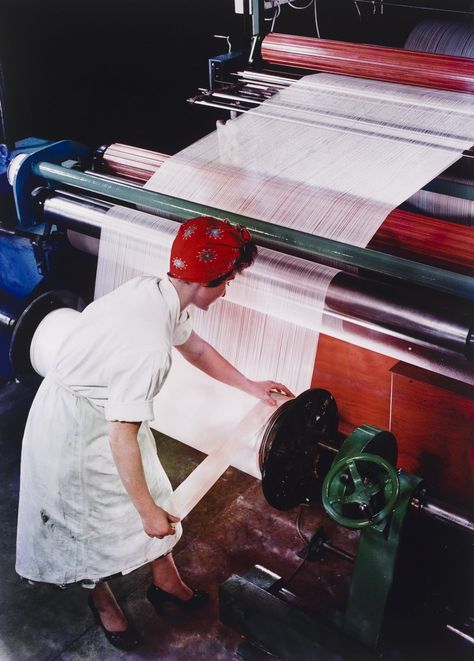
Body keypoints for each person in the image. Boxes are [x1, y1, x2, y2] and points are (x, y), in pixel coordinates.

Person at [16, 216, 293, 651]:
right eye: (227, 283)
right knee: (95, 523)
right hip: (74, 435)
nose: (227, 292)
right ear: (204, 281)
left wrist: (251, 386)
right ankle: (103, 600)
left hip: (103, 417)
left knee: (159, 497)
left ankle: (166, 581)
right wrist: (146, 513)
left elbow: (196, 348)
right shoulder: (147, 347)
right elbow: (119, 438)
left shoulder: (160, 294)